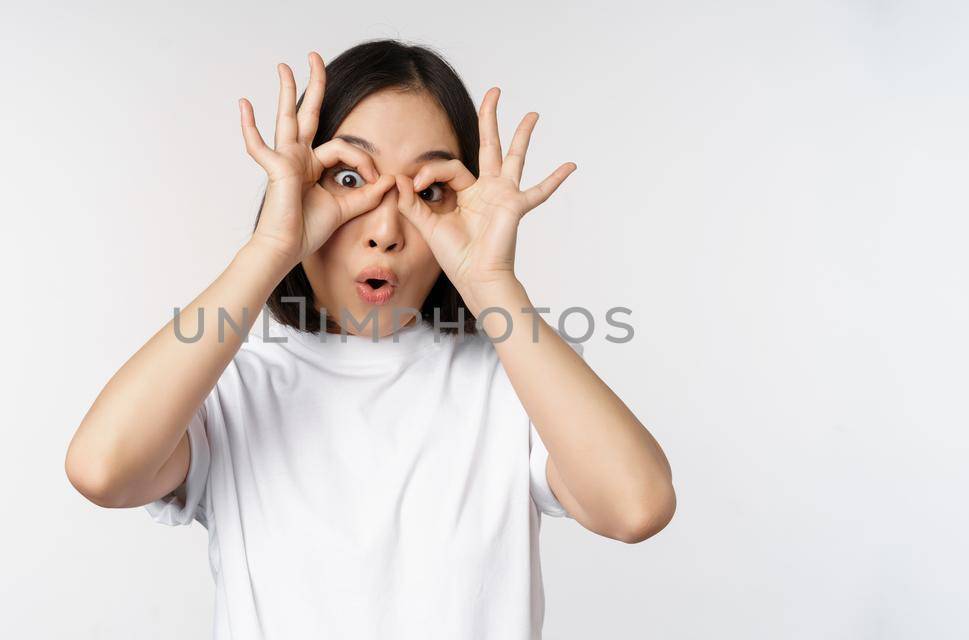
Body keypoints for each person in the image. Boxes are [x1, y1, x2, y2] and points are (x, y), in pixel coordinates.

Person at [65, 38, 676, 639]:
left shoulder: (512, 387)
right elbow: (102, 469)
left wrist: (492, 284)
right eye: (350, 177)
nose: (385, 228)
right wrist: (270, 250)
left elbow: (636, 507)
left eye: (428, 192)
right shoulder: (233, 390)